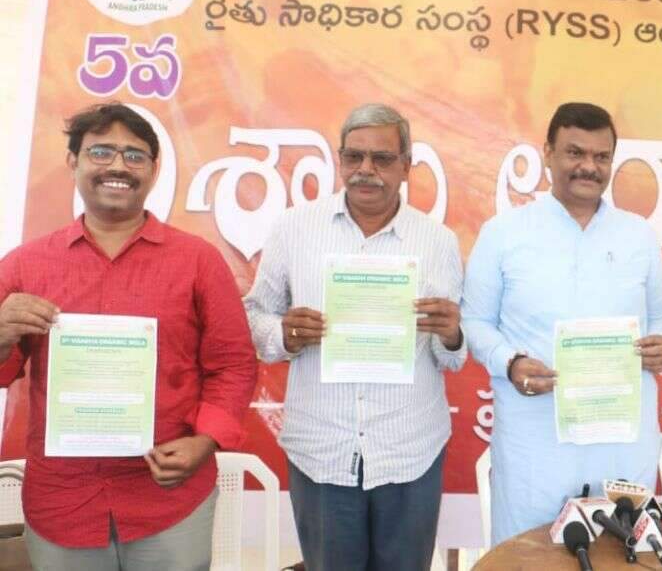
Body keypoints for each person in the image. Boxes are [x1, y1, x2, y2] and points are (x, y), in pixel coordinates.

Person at [0, 103, 257, 570]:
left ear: (154, 170)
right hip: (63, 501)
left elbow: (234, 364)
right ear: (73, 161)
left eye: (134, 155)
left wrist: (205, 441)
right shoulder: (24, 265)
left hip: (168, 500)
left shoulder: (198, 261)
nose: (118, 165)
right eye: (101, 151)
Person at [243, 103, 465, 571]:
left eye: (382, 158)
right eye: (354, 156)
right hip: (322, 448)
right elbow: (255, 315)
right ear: (340, 160)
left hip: (409, 449)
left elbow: (452, 357)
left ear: (406, 165)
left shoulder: (438, 241)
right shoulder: (293, 228)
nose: (366, 169)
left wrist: (451, 335)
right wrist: (284, 334)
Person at [462, 102, 662, 544]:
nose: (588, 167)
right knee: (528, 556)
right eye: (575, 153)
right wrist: (511, 363)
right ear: (548, 153)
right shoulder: (504, 233)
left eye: (601, 157)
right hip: (536, 441)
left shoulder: (638, 235)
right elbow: (474, 321)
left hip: (621, 440)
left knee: (620, 557)